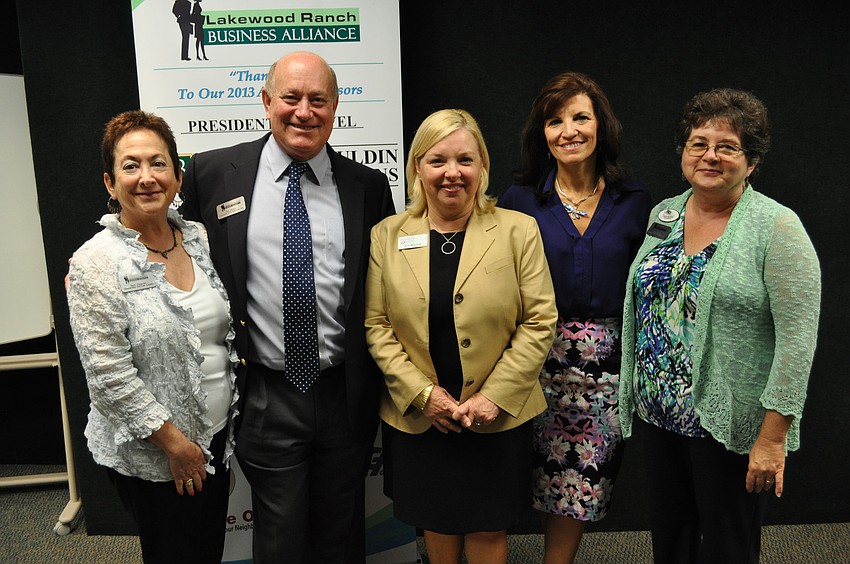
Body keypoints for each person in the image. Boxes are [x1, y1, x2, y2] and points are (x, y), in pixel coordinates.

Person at [180, 51, 395, 563]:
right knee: (279, 537)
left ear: (335, 107)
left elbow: (390, 281)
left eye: (318, 100)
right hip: (265, 392)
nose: (304, 112)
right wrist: (110, 255)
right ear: (267, 101)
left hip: (345, 391)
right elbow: (167, 238)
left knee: (342, 532)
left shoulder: (367, 185)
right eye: (291, 98)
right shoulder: (213, 173)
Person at [619, 88, 821, 563]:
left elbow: (798, 341)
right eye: (698, 143)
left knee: (729, 548)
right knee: (671, 546)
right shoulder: (664, 214)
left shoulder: (777, 227)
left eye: (727, 146)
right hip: (660, 416)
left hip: (728, 425)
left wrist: (772, 439)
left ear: (751, 162)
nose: (710, 155)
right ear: (684, 152)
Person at [365, 108, 557, 564]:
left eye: (465, 160)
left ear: (482, 167)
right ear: (417, 168)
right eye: (438, 160)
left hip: (497, 415)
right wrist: (422, 395)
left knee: (490, 527)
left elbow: (540, 320)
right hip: (422, 415)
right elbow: (377, 325)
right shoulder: (386, 236)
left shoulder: (517, 230)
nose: (452, 173)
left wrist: (494, 396)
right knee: (437, 524)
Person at [67, 110, 238, 563]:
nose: (147, 177)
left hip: (215, 435)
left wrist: (204, 442)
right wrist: (176, 447)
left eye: (158, 163)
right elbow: (108, 377)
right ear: (110, 183)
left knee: (206, 551)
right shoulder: (96, 263)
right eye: (131, 165)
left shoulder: (197, 238)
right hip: (159, 452)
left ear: (178, 176)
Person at [499, 72, 652, 563]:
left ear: (600, 126)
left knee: (580, 481)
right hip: (531, 359)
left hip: (605, 368)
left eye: (580, 117)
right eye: (555, 120)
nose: (569, 130)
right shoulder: (519, 201)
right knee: (540, 476)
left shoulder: (635, 201)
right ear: (541, 134)